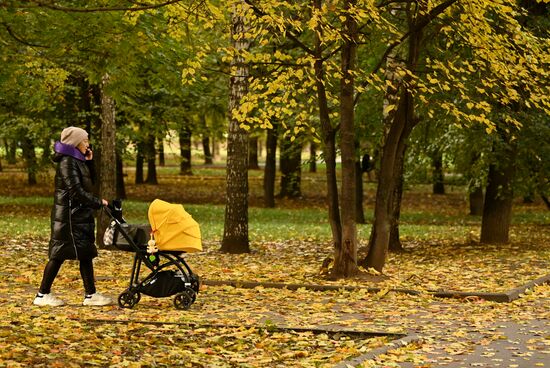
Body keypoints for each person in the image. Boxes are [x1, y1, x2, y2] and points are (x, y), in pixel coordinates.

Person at [33, 126, 113, 307]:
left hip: (78, 215)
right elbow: (76, 191)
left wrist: (90, 162)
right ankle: (42, 294)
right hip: (69, 217)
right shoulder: (67, 162)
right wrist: (98, 202)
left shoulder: (78, 160)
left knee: (85, 253)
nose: (88, 143)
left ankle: (91, 295)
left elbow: (89, 183)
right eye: (85, 140)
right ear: (75, 143)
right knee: (59, 254)